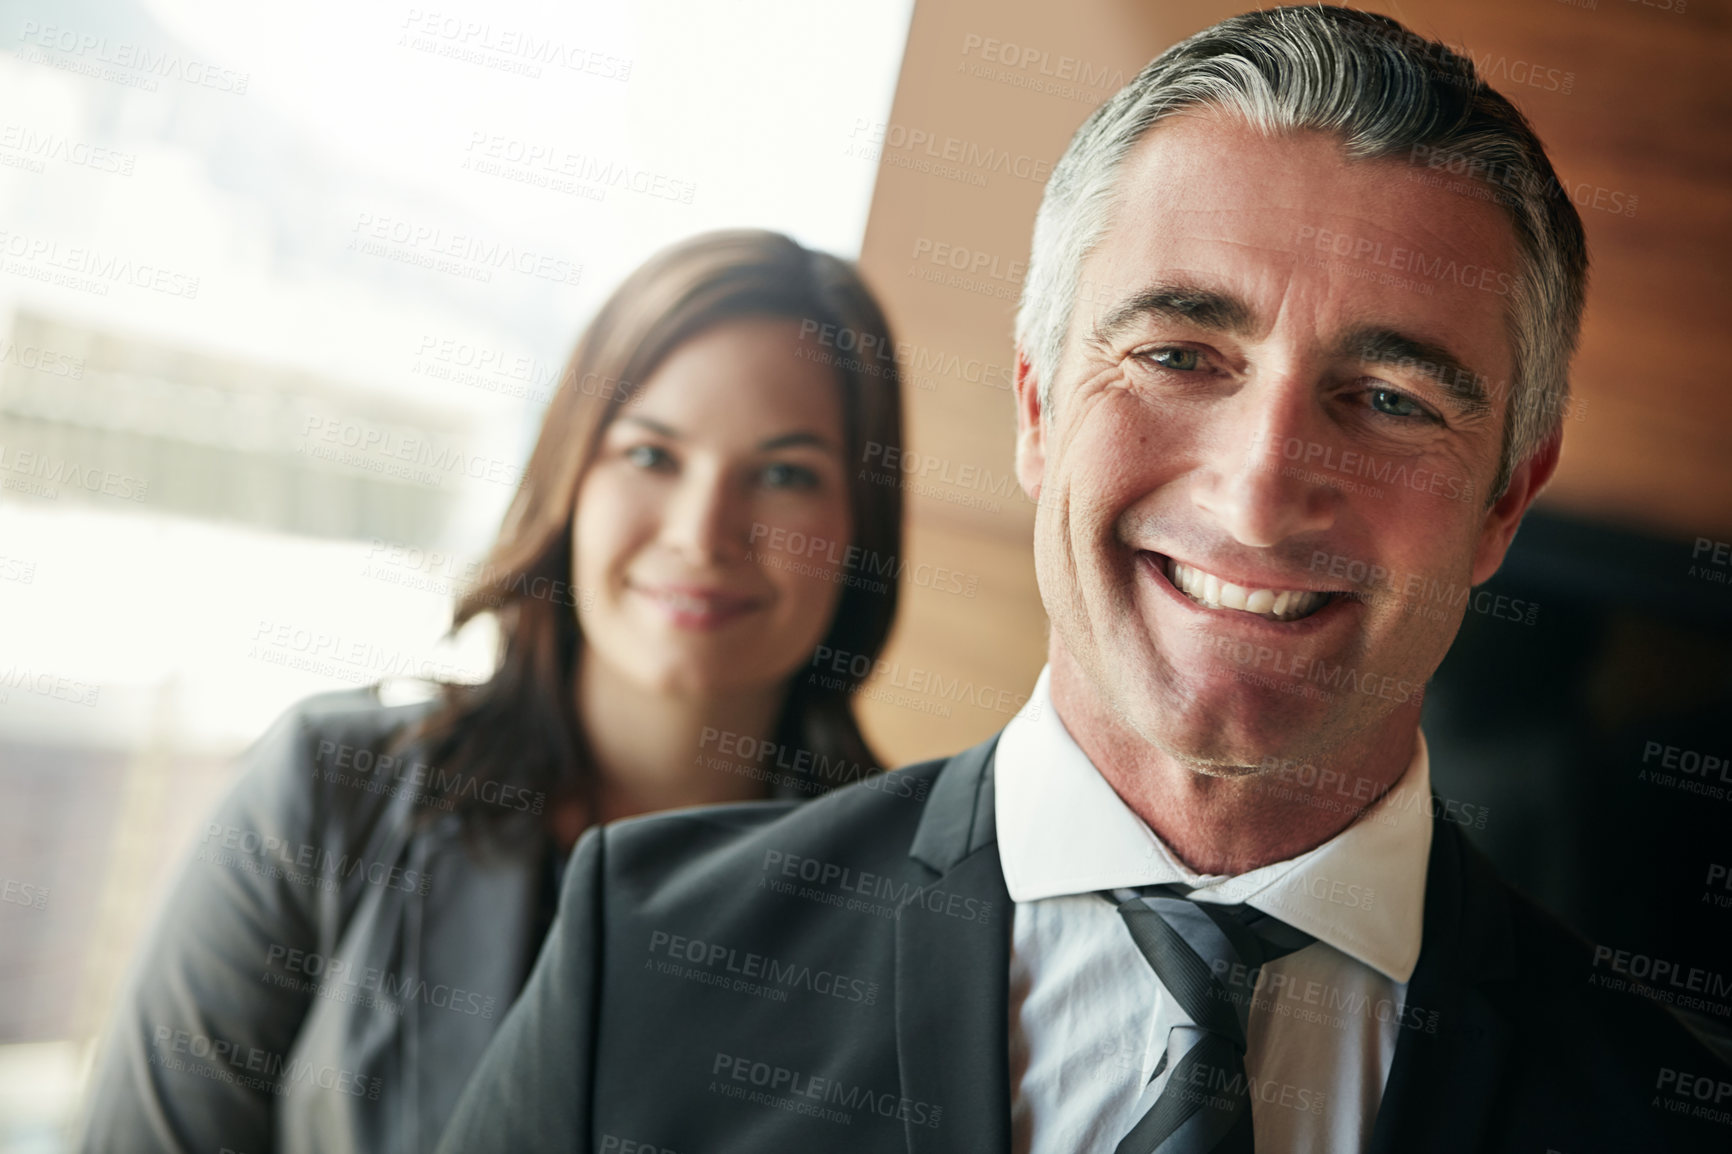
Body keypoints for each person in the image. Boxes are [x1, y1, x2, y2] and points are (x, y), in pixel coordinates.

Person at [435, 9, 1732, 1154]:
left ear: (1506, 496)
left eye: (1390, 398)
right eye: (1178, 353)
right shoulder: (645, 952)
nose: (1260, 488)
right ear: (1040, 406)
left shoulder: (1669, 1114)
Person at [72, 229, 907, 1154]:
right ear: (570, 477)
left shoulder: (911, 920)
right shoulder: (328, 789)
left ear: (859, 531)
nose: (704, 531)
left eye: (785, 475)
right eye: (649, 456)